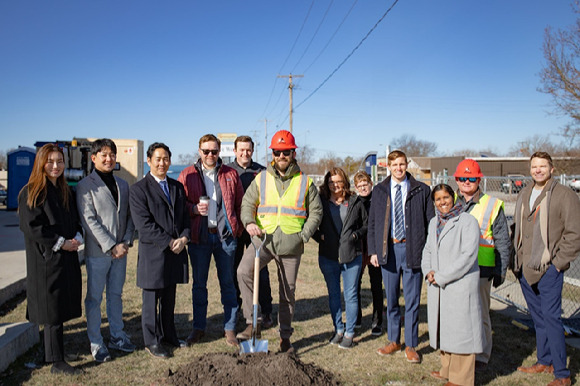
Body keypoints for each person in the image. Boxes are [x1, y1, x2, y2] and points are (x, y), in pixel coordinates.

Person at [237, 129, 322, 353]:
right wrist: (249, 223)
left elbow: (316, 212)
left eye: (286, 152)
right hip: (263, 241)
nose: (281, 156)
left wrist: (303, 236)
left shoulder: (305, 182)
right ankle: (251, 323)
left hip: (291, 245)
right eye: (277, 152)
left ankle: (285, 336)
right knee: (243, 272)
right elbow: (247, 204)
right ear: (272, 154)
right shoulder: (261, 178)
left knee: (287, 293)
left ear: (293, 153)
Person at [513, 152, 580, 386]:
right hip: (525, 267)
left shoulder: (564, 195)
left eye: (543, 166)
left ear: (552, 169)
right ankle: (544, 360)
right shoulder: (524, 193)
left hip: (550, 268)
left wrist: (558, 265)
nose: (538, 170)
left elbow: (574, 234)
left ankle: (562, 374)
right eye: (534, 166)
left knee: (552, 319)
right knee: (538, 318)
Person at [18, 144, 84, 375]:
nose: (55, 166)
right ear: (41, 163)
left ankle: (54, 353)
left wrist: (76, 236)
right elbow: (32, 227)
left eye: (60, 161)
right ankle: (57, 362)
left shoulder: (65, 190)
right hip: (46, 259)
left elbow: (75, 220)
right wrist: (60, 243)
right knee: (51, 311)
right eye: (50, 162)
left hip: (66, 257)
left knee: (61, 307)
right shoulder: (32, 192)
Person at [178, 134, 244, 347]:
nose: (210, 155)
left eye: (214, 151)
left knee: (228, 284)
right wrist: (194, 209)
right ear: (199, 151)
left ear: (219, 152)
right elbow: (180, 207)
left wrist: (236, 229)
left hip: (225, 238)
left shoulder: (230, 174)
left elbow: (241, 205)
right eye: (206, 151)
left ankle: (230, 328)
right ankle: (198, 328)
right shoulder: (187, 175)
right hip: (199, 238)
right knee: (199, 285)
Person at [368, 150, 434, 363]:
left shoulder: (421, 190)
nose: (398, 168)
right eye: (394, 164)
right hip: (389, 251)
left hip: (413, 250)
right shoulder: (379, 191)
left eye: (402, 164)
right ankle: (394, 340)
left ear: (407, 165)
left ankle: (412, 345)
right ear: (388, 166)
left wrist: (429, 252)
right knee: (393, 299)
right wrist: (373, 251)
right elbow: (373, 224)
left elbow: (430, 223)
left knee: (413, 300)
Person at [76, 139, 136, 363]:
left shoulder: (123, 185)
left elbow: (130, 216)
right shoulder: (85, 186)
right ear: (94, 158)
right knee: (94, 298)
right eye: (104, 155)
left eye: (112, 154)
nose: (109, 159)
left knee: (115, 295)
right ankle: (96, 342)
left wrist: (126, 242)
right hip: (98, 253)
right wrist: (111, 245)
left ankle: (118, 336)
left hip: (121, 252)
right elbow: (89, 221)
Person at [129, 142, 190, 359]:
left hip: (175, 251)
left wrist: (184, 237)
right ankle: (151, 341)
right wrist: (169, 242)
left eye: (166, 159)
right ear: (149, 161)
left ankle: (169, 335)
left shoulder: (177, 187)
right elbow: (143, 225)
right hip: (154, 253)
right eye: (158, 159)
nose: (162, 163)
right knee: (151, 300)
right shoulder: (138, 190)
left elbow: (184, 218)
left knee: (169, 298)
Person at [453, 159, 512, 372]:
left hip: (481, 269)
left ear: (479, 180)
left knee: (481, 314)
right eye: (462, 178)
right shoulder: (449, 201)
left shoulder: (492, 205)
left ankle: (482, 355)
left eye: (471, 178)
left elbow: (503, 240)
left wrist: (500, 269)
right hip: (456, 270)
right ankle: (462, 353)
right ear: (456, 180)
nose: (466, 182)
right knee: (460, 314)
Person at [422, 183, 483, 386]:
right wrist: (427, 271)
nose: (442, 203)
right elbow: (428, 250)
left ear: (453, 197)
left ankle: (462, 379)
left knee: (461, 333)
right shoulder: (434, 222)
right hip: (439, 284)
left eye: (445, 198)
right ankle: (447, 370)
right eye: (438, 199)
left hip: (459, 284)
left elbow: (468, 256)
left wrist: (441, 276)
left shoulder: (467, 221)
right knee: (444, 328)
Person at [313, 167, 367, 349]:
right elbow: (309, 220)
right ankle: (338, 329)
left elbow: (366, 225)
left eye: (338, 181)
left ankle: (350, 332)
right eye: (331, 182)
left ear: (344, 182)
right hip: (328, 255)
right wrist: (318, 236)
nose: (335, 185)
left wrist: (355, 236)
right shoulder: (320, 202)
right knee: (334, 294)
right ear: (326, 184)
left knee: (351, 295)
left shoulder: (354, 201)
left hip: (352, 255)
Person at [228, 135, 273, 329]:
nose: (245, 153)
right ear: (235, 151)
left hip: (257, 228)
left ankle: (267, 310)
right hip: (237, 228)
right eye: (241, 150)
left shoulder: (262, 171)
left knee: (260, 271)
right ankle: (240, 309)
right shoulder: (228, 171)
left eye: (248, 150)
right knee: (236, 271)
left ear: (252, 151)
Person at [353, 170, 384, 336]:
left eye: (366, 185)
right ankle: (356, 317)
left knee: (376, 285)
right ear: (356, 187)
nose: (363, 188)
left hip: (374, 247)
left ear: (371, 184)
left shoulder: (377, 201)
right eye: (360, 186)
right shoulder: (355, 202)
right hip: (359, 247)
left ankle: (377, 320)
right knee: (355, 284)